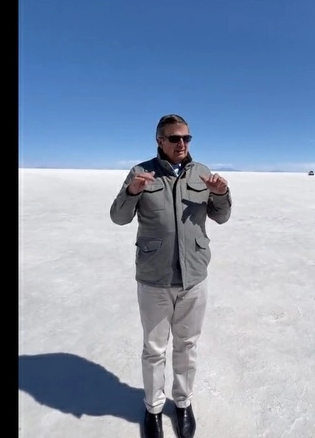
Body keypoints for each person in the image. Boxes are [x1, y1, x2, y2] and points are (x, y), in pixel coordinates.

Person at [110, 114, 232, 438]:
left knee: (187, 345)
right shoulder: (141, 172)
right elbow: (118, 217)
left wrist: (221, 194)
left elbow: (222, 216)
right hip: (154, 280)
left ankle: (183, 404)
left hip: (194, 278)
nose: (182, 144)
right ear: (159, 141)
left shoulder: (202, 173)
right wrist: (132, 192)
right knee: (153, 349)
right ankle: (152, 410)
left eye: (187, 138)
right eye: (175, 138)